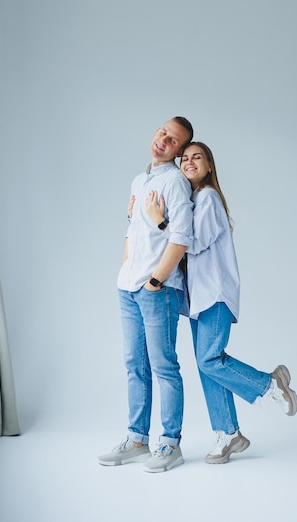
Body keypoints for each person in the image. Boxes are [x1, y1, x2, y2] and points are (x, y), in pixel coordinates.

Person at [146, 141, 297, 464]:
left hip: (215, 293)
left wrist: (161, 222)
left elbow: (194, 242)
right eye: (184, 158)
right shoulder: (191, 202)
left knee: (209, 360)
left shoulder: (208, 198)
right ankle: (228, 433)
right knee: (208, 368)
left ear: (210, 165)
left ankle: (269, 383)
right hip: (198, 299)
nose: (189, 162)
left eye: (196, 157)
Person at [98, 117, 194, 473]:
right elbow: (132, 229)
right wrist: (125, 272)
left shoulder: (175, 183)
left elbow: (181, 237)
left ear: (180, 151)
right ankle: (137, 440)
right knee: (134, 366)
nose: (163, 140)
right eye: (162, 132)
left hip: (157, 290)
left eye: (173, 140)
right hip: (129, 286)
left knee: (164, 367)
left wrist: (155, 280)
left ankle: (170, 444)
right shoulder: (140, 180)